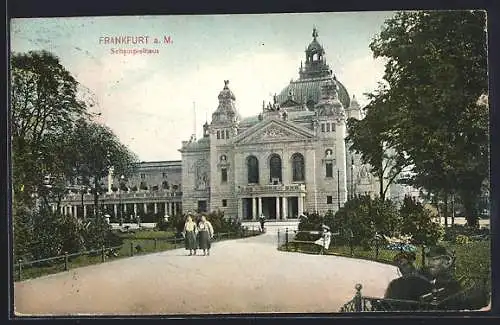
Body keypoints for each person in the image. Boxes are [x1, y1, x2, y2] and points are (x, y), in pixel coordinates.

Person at [420, 245, 489, 310]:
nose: (429, 263)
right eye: (429, 259)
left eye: (435, 259)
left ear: (446, 262)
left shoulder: (452, 285)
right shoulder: (429, 280)